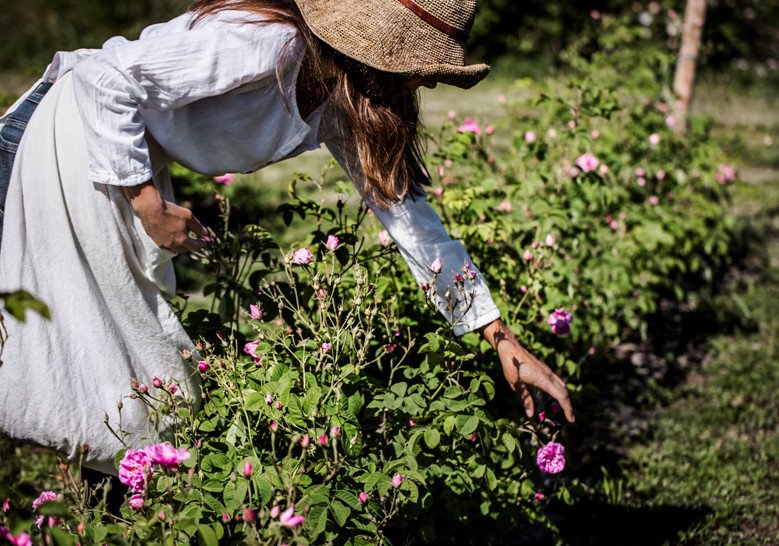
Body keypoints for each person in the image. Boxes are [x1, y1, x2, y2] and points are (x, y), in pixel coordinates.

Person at [0, 0, 573, 475]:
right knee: (117, 364)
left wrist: (498, 335)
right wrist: (149, 206)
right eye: (420, 62)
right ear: (379, 48)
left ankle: (114, 511)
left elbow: (413, 224)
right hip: (78, 142)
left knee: (127, 374)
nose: (423, 78)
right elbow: (104, 78)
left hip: (119, 161)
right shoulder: (265, 42)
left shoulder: (345, 100)